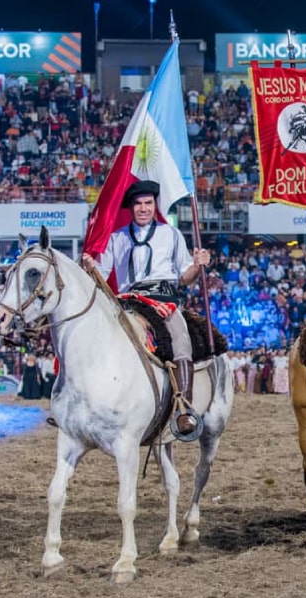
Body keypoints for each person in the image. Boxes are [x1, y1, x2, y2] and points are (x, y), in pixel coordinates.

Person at [82, 180, 211, 439]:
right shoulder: (116, 238)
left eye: (148, 203)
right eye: (138, 204)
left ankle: (183, 408)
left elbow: (185, 277)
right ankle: (85, 402)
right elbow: (101, 275)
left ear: (155, 206)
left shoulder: (171, 235)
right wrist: (89, 266)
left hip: (162, 298)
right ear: (131, 207)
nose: (143, 208)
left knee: (180, 339)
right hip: (127, 300)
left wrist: (198, 266)